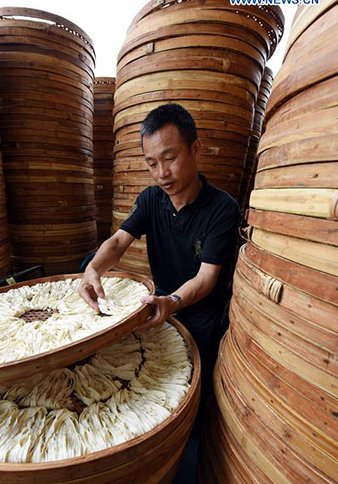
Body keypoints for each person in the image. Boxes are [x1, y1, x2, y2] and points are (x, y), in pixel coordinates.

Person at [78, 103, 240, 428]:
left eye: (170, 158)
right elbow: (118, 243)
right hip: (162, 301)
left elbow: (207, 278)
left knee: (187, 395)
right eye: (152, 163)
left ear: (195, 149)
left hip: (202, 314)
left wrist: (174, 302)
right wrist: (93, 269)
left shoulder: (222, 208)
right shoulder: (152, 199)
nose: (162, 173)